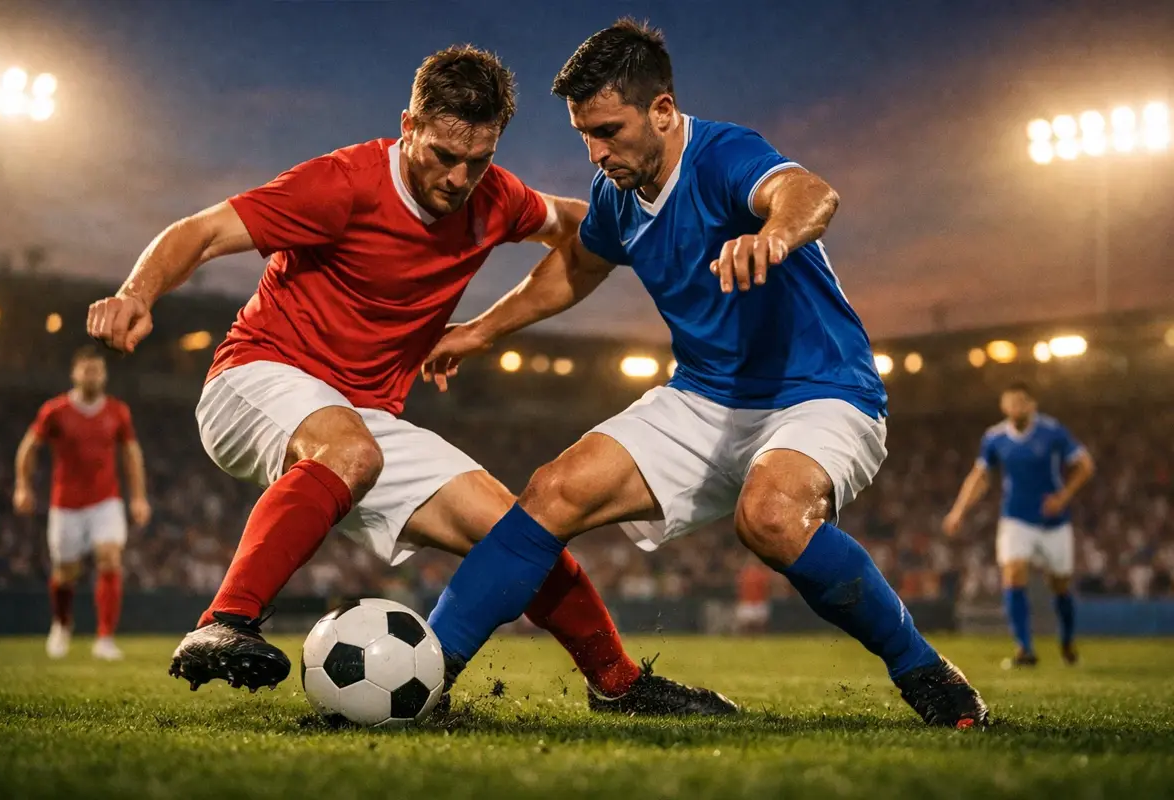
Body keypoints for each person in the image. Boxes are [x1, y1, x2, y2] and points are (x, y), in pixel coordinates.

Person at [86, 44, 731, 716]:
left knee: (520, 534)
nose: (458, 178)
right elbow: (201, 232)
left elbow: (580, 225)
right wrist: (138, 294)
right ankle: (224, 621)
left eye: (477, 161)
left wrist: (672, 230)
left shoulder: (495, 198)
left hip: (364, 417)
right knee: (350, 451)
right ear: (407, 127)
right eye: (442, 157)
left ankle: (620, 684)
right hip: (259, 376)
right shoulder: (342, 184)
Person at [421, 19, 989, 728]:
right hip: (706, 395)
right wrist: (480, 329)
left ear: (662, 110)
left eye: (609, 130)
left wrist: (773, 234)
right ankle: (424, 677)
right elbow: (578, 265)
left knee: (772, 518)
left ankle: (925, 672)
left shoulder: (723, 153)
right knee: (553, 491)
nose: (597, 152)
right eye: (584, 135)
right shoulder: (616, 194)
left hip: (820, 393)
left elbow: (810, 193)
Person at [13, 345, 151, 660]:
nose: (92, 375)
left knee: (110, 557)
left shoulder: (118, 411)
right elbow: (28, 447)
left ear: (104, 375)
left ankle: (105, 638)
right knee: (65, 572)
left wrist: (139, 497)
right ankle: (62, 625)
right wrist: (23, 486)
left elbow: (131, 455)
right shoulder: (55, 411)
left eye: (98, 370)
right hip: (66, 504)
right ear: (75, 373)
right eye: (87, 370)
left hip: (106, 501)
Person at [944, 382, 1094, 666]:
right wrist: (958, 512)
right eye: (1011, 401)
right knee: (1013, 573)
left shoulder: (1052, 432)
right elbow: (980, 477)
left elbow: (1085, 464)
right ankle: (1025, 649)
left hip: (1053, 521)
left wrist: (1063, 498)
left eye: (1022, 401)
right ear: (1003, 405)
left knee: (1060, 584)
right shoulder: (995, 438)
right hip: (1015, 517)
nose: (1016, 407)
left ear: (1032, 405)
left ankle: (1067, 642)